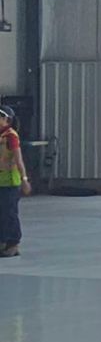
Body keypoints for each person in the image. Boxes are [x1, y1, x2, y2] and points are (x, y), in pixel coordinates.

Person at [0, 106, 29, 257]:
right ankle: (2, 241)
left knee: (9, 213)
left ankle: (13, 243)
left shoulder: (11, 136)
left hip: (10, 182)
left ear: (7, 120)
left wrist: (24, 179)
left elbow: (18, 159)